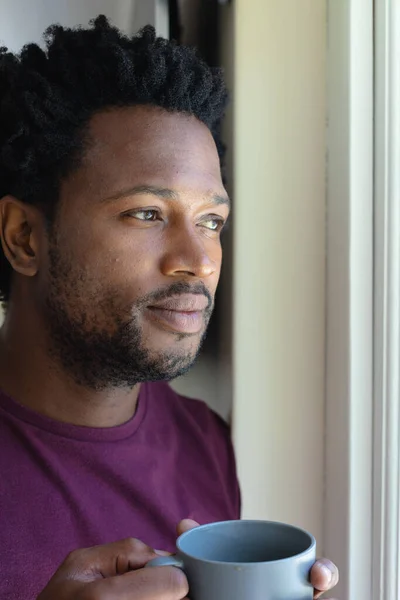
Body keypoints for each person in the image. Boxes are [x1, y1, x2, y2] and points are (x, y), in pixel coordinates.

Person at [0, 16, 339, 600]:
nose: (199, 260)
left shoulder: (203, 441)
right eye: (147, 214)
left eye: (211, 221)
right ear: (25, 237)